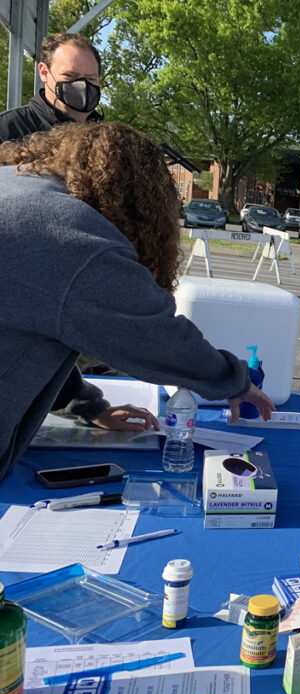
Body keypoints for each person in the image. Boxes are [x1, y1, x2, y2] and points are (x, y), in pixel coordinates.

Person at [0, 121, 273, 481]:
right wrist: (234, 379)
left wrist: (88, 406)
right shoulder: (65, 230)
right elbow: (155, 335)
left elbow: (31, 329)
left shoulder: (13, 186)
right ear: (138, 202)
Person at [0, 33, 102, 143]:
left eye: (91, 78)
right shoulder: (6, 130)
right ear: (44, 73)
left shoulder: (105, 138)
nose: (82, 85)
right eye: (70, 75)